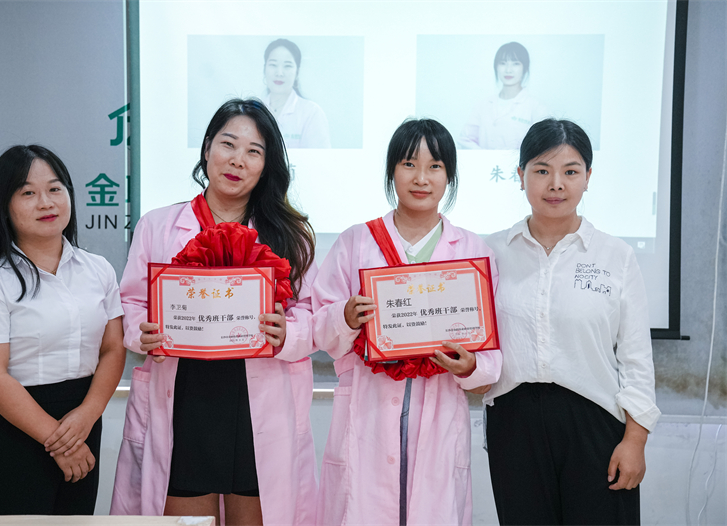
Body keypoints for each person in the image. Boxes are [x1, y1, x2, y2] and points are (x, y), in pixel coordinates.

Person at [110, 98, 318, 525]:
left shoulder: (289, 234)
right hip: (186, 397)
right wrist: (141, 332)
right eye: (228, 144)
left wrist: (288, 332)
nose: (238, 160)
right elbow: (130, 303)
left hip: (257, 401)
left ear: (267, 165)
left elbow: (313, 314)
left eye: (254, 151)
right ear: (207, 148)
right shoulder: (158, 226)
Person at [312, 118, 502, 525]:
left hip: (440, 415)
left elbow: (491, 355)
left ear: (450, 176)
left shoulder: (472, 252)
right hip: (367, 409)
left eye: (435, 166)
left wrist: (471, 366)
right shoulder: (355, 242)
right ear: (391, 170)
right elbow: (319, 328)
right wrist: (345, 316)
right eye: (409, 164)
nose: (421, 178)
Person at [484, 118, 660, 525]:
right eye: (541, 171)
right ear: (520, 176)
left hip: (594, 422)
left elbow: (636, 358)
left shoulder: (615, 256)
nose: (556, 184)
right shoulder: (490, 252)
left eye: (570, 171)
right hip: (514, 422)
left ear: (588, 177)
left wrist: (635, 440)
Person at [0, 145, 126, 515]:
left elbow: (113, 349)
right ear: (4, 205)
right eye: (28, 192)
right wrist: (59, 442)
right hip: (17, 432)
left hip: (82, 426)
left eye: (55, 189)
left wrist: (88, 414)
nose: (46, 202)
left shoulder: (98, 269)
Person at [458, 41, 548, 150]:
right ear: (496, 67)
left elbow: (543, 145)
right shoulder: (483, 105)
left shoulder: (536, 107)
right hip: (485, 161)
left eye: (516, 63)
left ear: (524, 68)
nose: (508, 70)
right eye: (503, 63)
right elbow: (465, 140)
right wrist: (486, 157)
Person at [262, 38, 331, 148]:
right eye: (273, 65)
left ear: (297, 72)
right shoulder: (254, 110)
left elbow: (320, 157)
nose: (279, 73)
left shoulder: (311, 113)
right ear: (264, 69)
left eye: (287, 66)